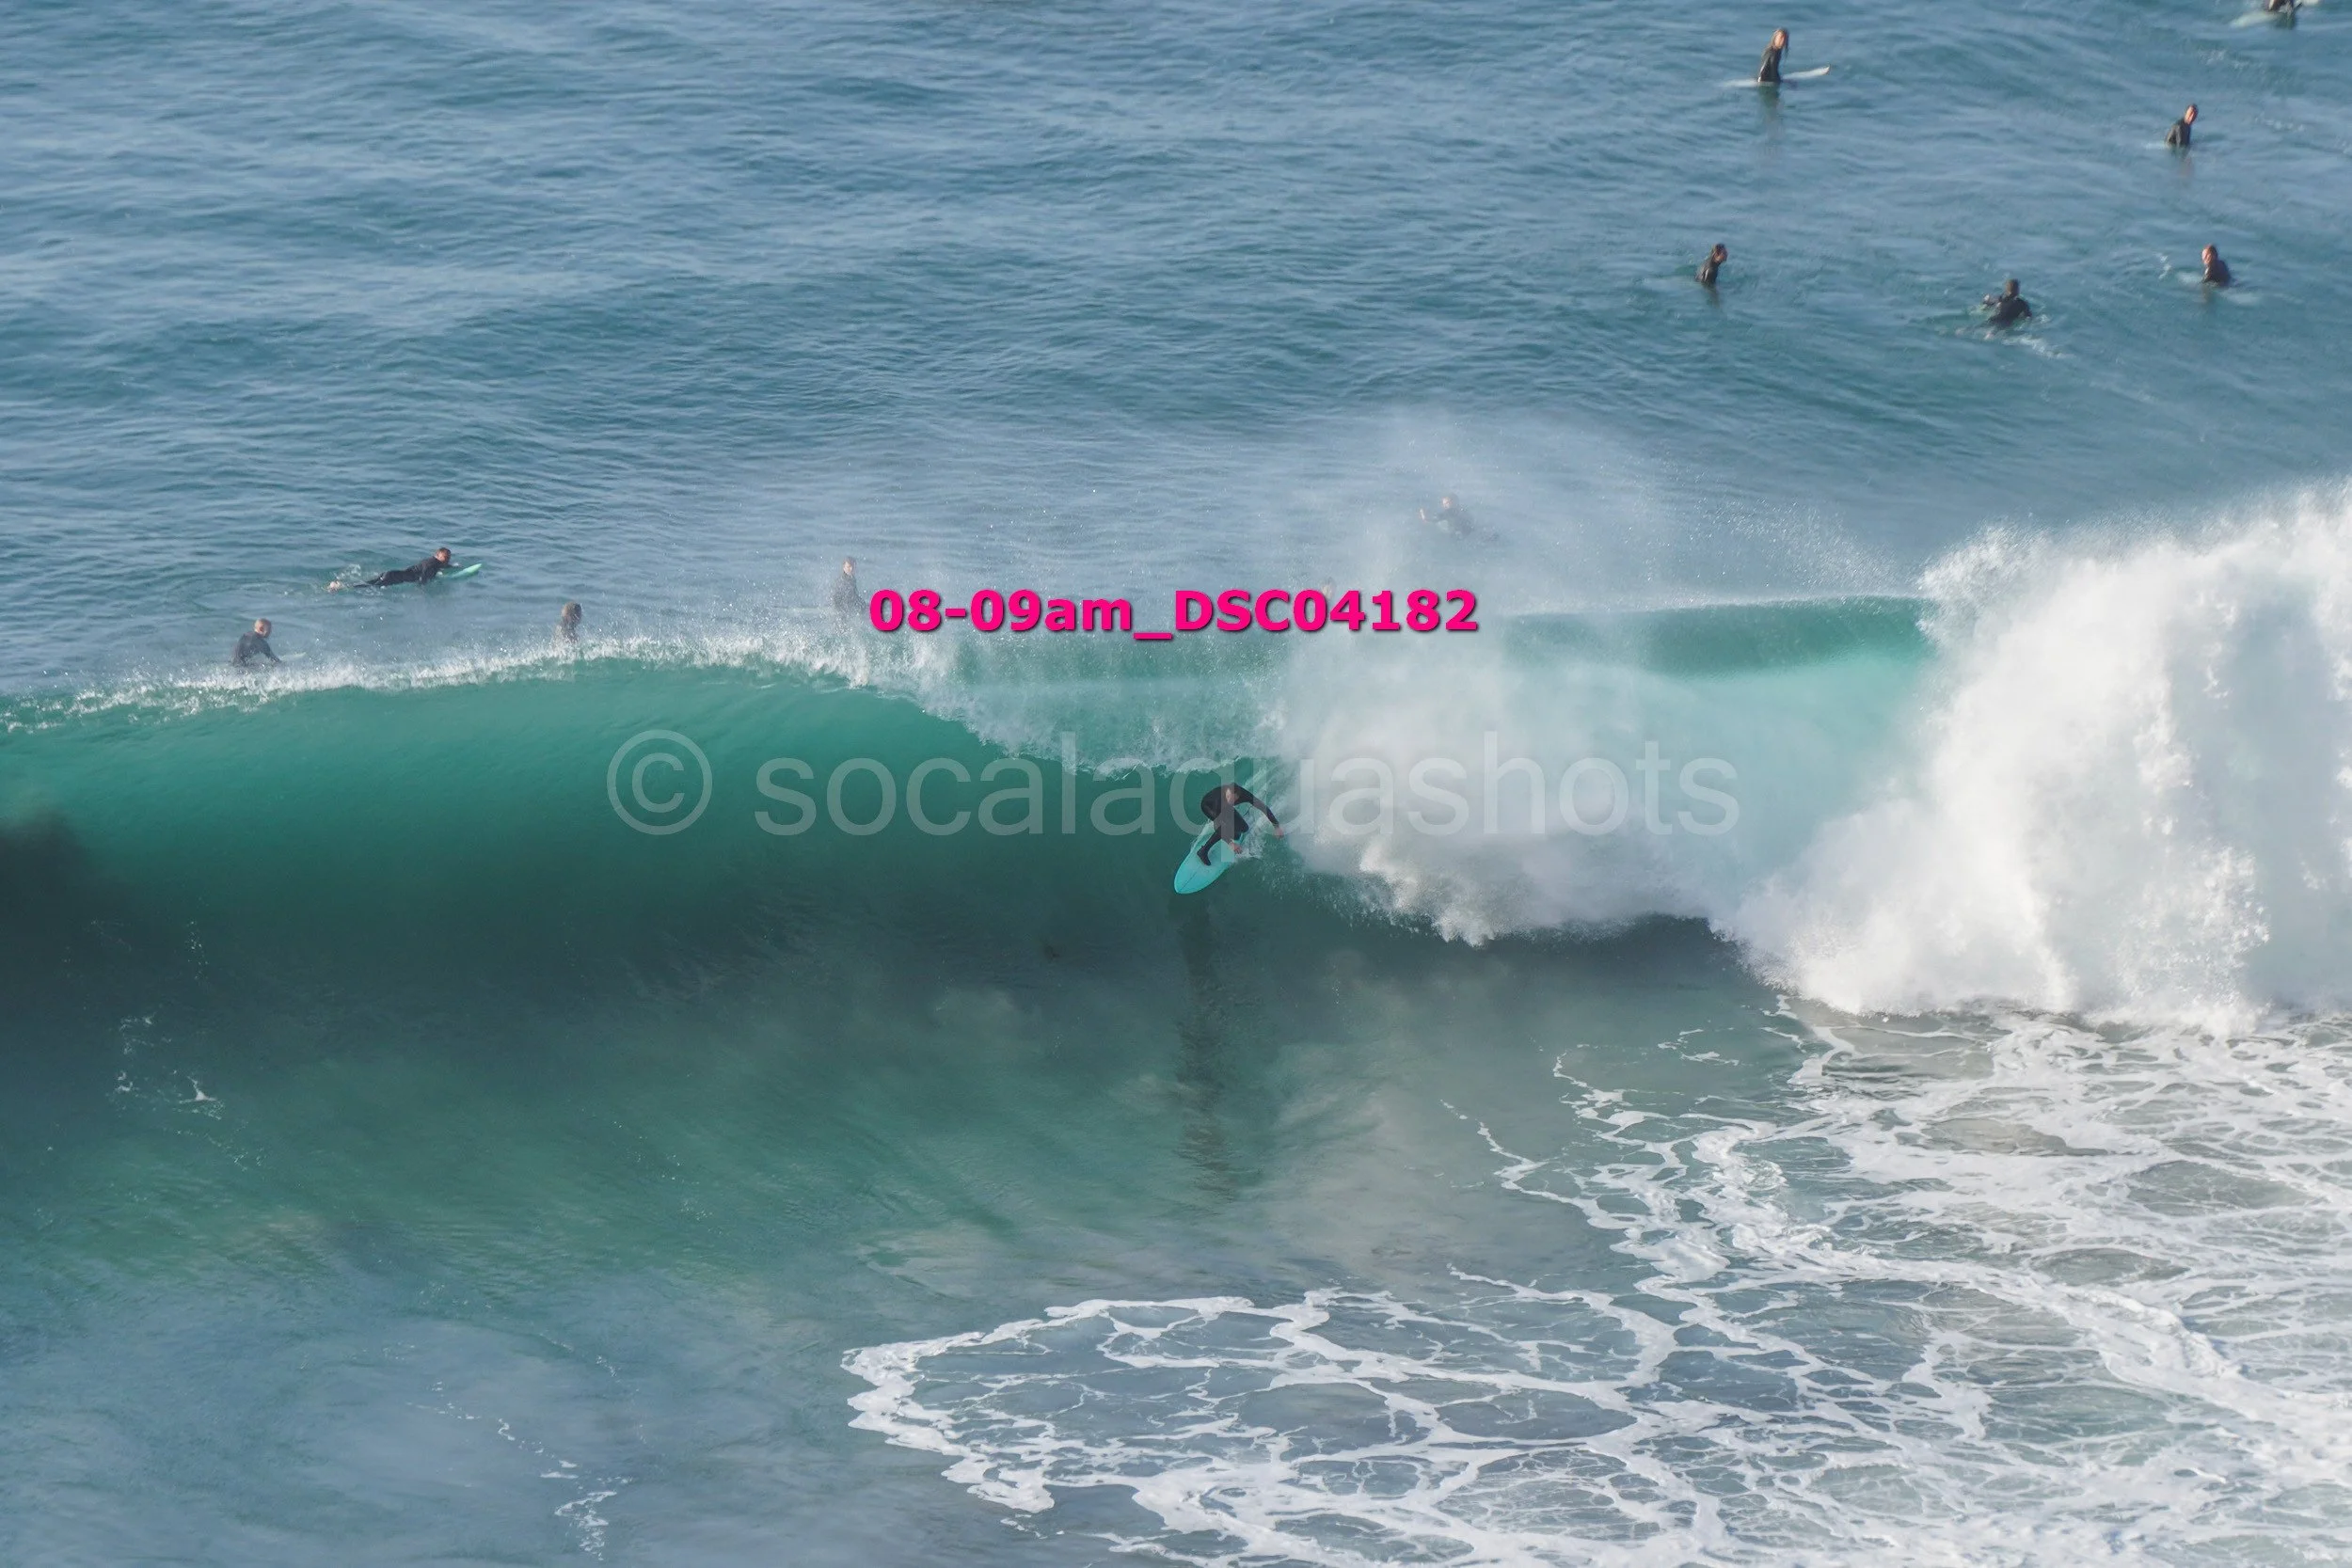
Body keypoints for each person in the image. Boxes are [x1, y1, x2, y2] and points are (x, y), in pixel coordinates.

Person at [1196, 782, 1283, 865]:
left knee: (1244, 828)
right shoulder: (1218, 801)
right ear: (1227, 792)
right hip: (1208, 806)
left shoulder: (1244, 795)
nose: (1230, 801)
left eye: (1233, 800)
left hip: (1225, 807)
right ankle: (1203, 851)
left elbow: (1262, 807)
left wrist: (1276, 826)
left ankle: (1230, 831)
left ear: (1238, 796)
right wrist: (1231, 844)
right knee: (1223, 827)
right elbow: (1218, 826)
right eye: (1228, 797)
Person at [334, 547, 461, 590]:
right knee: (370, 586)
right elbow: (424, 576)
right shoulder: (432, 564)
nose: (447, 560)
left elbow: (440, 567)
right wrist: (422, 589)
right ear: (437, 555)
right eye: (445, 557)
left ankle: (342, 585)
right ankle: (342, 587)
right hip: (394, 577)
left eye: (448, 557)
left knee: (369, 583)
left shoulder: (435, 562)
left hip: (392, 574)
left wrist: (453, 567)